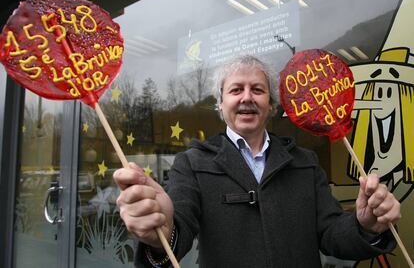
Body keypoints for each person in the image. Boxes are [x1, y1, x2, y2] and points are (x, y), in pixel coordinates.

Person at [114, 55, 401, 267]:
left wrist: (365, 226)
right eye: (236, 90)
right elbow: (180, 232)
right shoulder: (192, 163)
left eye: (258, 90)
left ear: (271, 105)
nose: (246, 98)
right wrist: (163, 232)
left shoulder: (305, 162)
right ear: (221, 104)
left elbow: (331, 235)